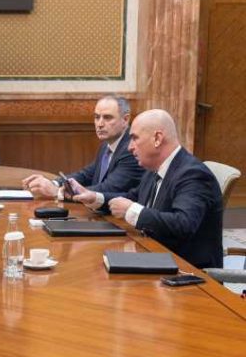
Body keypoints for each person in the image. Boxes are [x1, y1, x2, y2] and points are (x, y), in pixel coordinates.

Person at [72, 109, 223, 269]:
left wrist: (131, 210)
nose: (129, 147)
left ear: (157, 138)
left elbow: (183, 224)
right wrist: (95, 198)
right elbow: (132, 197)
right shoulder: (155, 168)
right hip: (155, 256)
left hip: (186, 272)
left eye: (134, 138)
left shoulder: (192, 174)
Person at [22, 95, 145, 199]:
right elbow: (86, 175)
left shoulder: (131, 149)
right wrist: (54, 183)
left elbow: (109, 188)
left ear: (125, 119)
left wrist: (58, 192)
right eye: (97, 117)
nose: (100, 124)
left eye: (107, 117)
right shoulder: (107, 145)